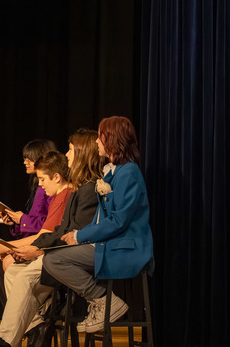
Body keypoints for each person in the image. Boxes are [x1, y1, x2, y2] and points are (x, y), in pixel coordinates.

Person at [0, 130, 103, 347]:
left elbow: (66, 233)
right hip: (58, 252)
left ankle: (21, 332)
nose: (67, 153)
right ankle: (32, 327)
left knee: (15, 270)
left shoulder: (79, 191)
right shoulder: (75, 189)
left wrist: (36, 249)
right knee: (11, 271)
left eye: (71, 149)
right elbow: (57, 230)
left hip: (70, 258)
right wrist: (30, 243)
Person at [42, 116, 153, 334]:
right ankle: (92, 302)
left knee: (55, 260)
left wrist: (81, 236)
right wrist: (78, 234)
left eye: (101, 137)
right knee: (54, 256)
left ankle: (104, 300)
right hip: (108, 244)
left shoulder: (129, 172)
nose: (96, 142)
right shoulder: (113, 172)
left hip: (124, 248)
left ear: (112, 139)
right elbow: (102, 218)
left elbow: (119, 220)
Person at [0, 139, 57, 303]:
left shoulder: (50, 187)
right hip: (30, 239)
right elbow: (34, 222)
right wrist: (15, 222)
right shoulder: (37, 185)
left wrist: (22, 219)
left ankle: (23, 309)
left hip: (41, 244)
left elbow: (49, 225)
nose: (25, 162)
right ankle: (11, 308)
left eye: (29, 158)